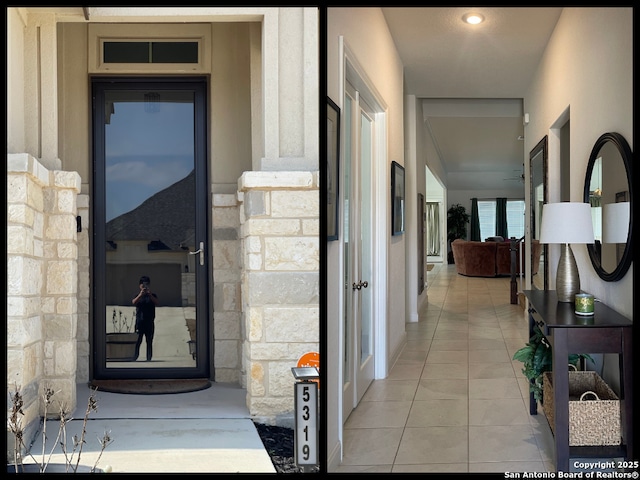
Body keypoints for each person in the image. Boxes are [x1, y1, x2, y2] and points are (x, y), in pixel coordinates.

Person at [132, 275, 159, 361]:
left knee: (149, 341)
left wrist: (150, 295)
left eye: (146, 284)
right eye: (143, 285)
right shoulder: (138, 295)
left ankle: (149, 358)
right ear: (140, 286)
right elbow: (133, 302)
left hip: (149, 322)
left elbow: (157, 302)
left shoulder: (152, 295)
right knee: (137, 341)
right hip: (140, 322)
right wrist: (140, 295)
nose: (144, 286)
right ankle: (135, 357)